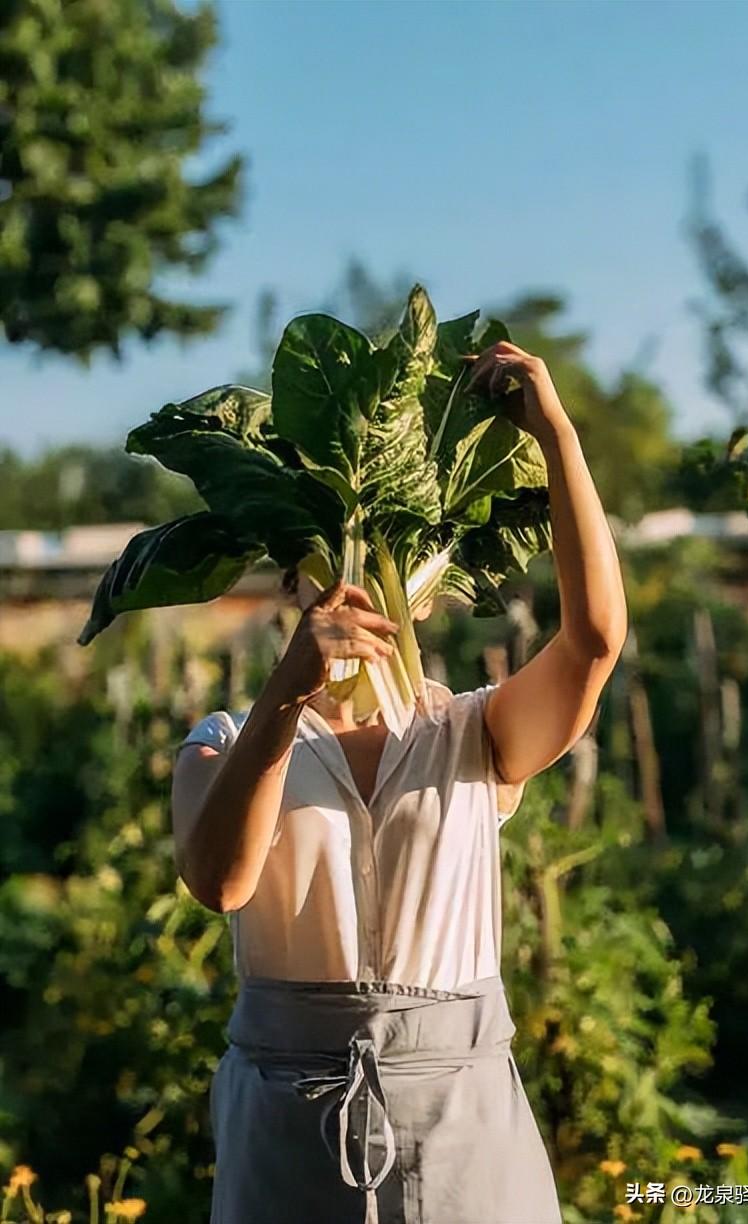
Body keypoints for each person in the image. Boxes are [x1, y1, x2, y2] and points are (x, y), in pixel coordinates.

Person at [171, 340, 628, 1224]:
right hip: (289, 1125)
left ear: (419, 591)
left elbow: (594, 642)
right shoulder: (225, 739)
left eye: (377, 557)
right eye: (321, 558)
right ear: (290, 582)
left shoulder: (474, 733)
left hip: (464, 1120)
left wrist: (557, 434)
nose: (346, 578)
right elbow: (219, 880)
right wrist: (285, 695)